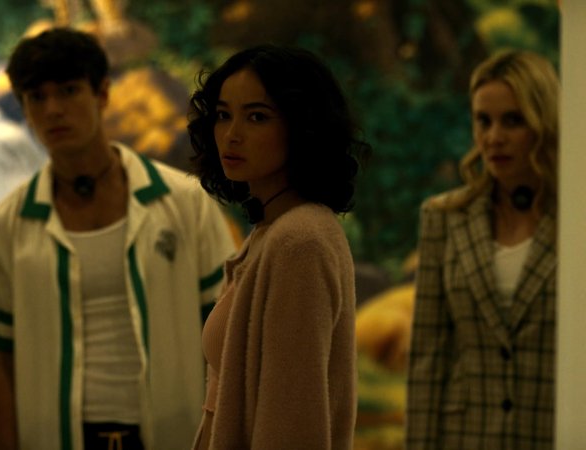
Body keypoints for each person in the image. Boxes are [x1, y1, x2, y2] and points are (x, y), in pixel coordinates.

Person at [0, 27, 236, 450]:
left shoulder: (185, 202)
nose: (53, 110)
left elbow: (226, 334)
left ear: (102, 93)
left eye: (68, 91)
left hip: (176, 434)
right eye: (37, 97)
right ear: (24, 109)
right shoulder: (4, 226)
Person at [188, 44, 370, 449]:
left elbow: (293, 423)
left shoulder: (299, 241)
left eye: (257, 117)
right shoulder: (273, 231)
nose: (232, 134)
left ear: (301, 126)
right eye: (223, 115)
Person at [406, 50, 559, 450]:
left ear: (543, 122)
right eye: (483, 121)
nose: (494, 137)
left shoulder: (574, 221)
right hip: (464, 437)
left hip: (549, 433)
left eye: (513, 120)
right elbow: (428, 358)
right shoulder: (444, 217)